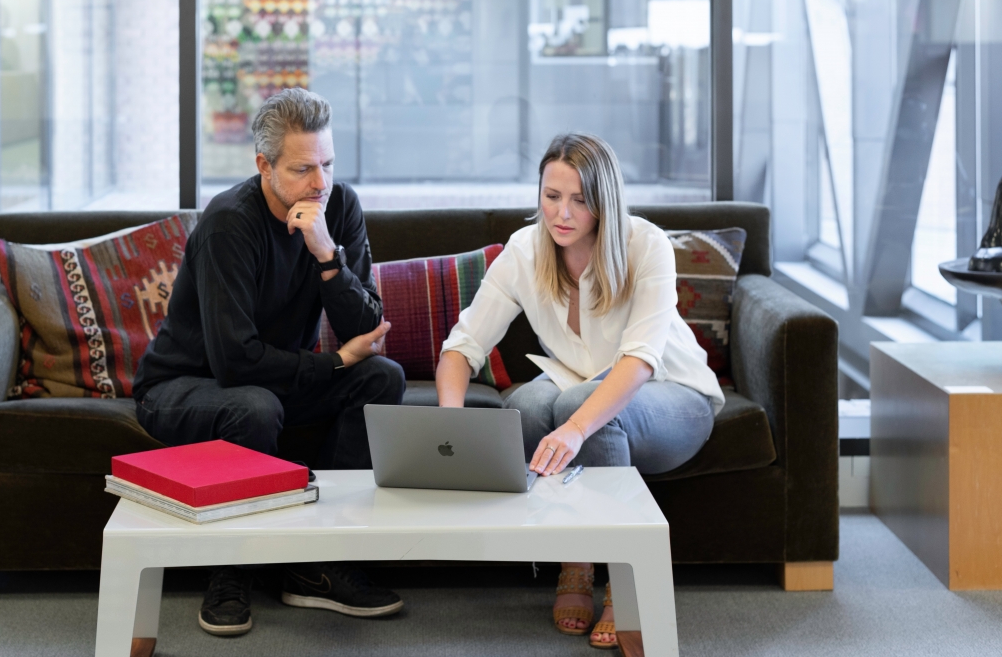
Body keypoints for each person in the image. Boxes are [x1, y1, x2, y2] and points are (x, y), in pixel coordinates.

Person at [132, 88, 406, 637]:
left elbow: (366, 329)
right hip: (184, 385)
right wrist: (331, 365)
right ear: (264, 165)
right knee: (254, 408)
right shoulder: (229, 223)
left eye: (327, 164)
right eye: (303, 169)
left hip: (272, 380)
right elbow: (234, 362)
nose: (320, 183)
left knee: (382, 378)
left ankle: (317, 563)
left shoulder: (340, 207)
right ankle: (231, 571)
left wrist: (328, 256)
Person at [434, 132, 723, 652]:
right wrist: (450, 424)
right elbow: (463, 347)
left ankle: (623, 580)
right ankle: (576, 557)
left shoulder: (646, 244)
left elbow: (638, 360)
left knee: (572, 405)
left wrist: (575, 427)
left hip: (673, 392)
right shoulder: (525, 250)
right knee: (521, 405)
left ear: (603, 200)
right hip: (578, 381)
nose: (562, 213)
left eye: (579, 199)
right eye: (551, 196)